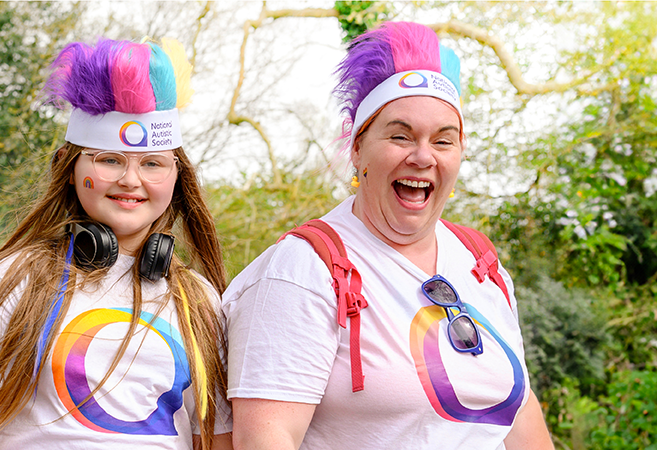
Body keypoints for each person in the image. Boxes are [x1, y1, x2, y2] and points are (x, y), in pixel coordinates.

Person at [223, 22, 555, 449]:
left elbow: (520, 414)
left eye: (443, 140)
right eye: (400, 136)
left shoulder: (480, 263)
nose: (422, 156)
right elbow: (267, 440)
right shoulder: (300, 271)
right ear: (357, 148)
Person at [0, 37, 232, 450]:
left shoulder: (199, 300)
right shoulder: (15, 279)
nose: (131, 180)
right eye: (109, 160)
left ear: (177, 178)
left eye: (152, 164)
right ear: (71, 168)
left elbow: (214, 438)